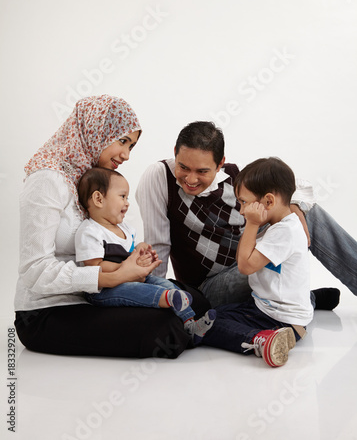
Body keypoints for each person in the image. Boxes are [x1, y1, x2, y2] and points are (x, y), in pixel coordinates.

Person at [14, 95, 211, 359]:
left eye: (132, 146)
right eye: (122, 141)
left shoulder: (93, 179)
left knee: (195, 299)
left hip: (96, 295)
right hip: (49, 310)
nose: (126, 155)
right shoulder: (47, 181)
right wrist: (116, 276)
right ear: (95, 130)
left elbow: (106, 239)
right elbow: (34, 271)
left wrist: (134, 261)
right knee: (166, 328)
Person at [135, 121, 351, 308]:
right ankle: (304, 300)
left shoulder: (235, 175)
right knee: (276, 240)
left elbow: (296, 187)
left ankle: (302, 299)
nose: (191, 179)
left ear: (220, 164)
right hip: (209, 285)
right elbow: (158, 245)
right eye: (184, 167)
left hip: (249, 258)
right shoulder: (159, 176)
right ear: (175, 152)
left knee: (304, 212)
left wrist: (295, 206)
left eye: (202, 171)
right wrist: (155, 300)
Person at [75, 166, 216, 344]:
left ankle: (190, 323)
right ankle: (165, 298)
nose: (127, 202)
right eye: (122, 196)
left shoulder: (125, 229)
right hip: (104, 290)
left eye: (127, 197)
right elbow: (94, 267)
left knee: (164, 283)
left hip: (131, 277)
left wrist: (140, 252)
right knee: (139, 290)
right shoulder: (90, 231)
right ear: (98, 199)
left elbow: (131, 255)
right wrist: (124, 268)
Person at [202, 157, 313, 367]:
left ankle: (262, 340)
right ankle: (318, 299)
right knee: (214, 315)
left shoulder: (285, 231)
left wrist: (252, 224)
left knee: (209, 324)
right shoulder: (279, 225)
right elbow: (243, 258)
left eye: (244, 202)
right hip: (268, 308)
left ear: (269, 201)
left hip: (279, 319)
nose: (242, 211)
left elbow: (244, 266)